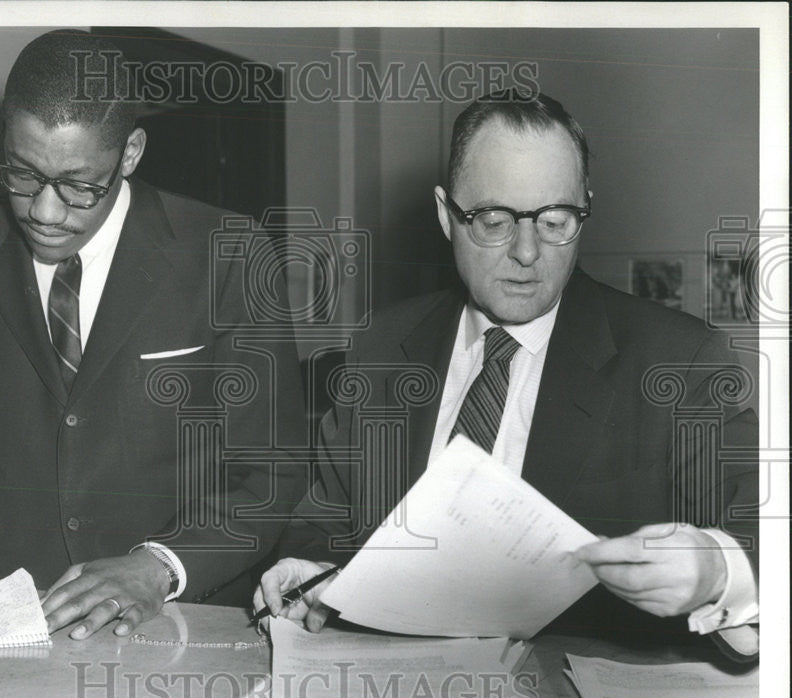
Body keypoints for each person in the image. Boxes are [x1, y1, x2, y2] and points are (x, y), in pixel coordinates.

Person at [0, 30, 304, 639]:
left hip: (178, 619)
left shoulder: (231, 255)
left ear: (131, 152)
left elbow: (269, 470)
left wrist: (161, 566)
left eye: (80, 185)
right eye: (22, 175)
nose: (45, 213)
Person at [254, 93, 758, 660]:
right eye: (493, 220)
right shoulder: (379, 349)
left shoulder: (680, 360)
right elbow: (323, 523)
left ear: (585, 210)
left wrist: (715, 571)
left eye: (555, 221)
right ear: (447, 216)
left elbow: (762, 539)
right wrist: (314, 573)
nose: (526, 251)